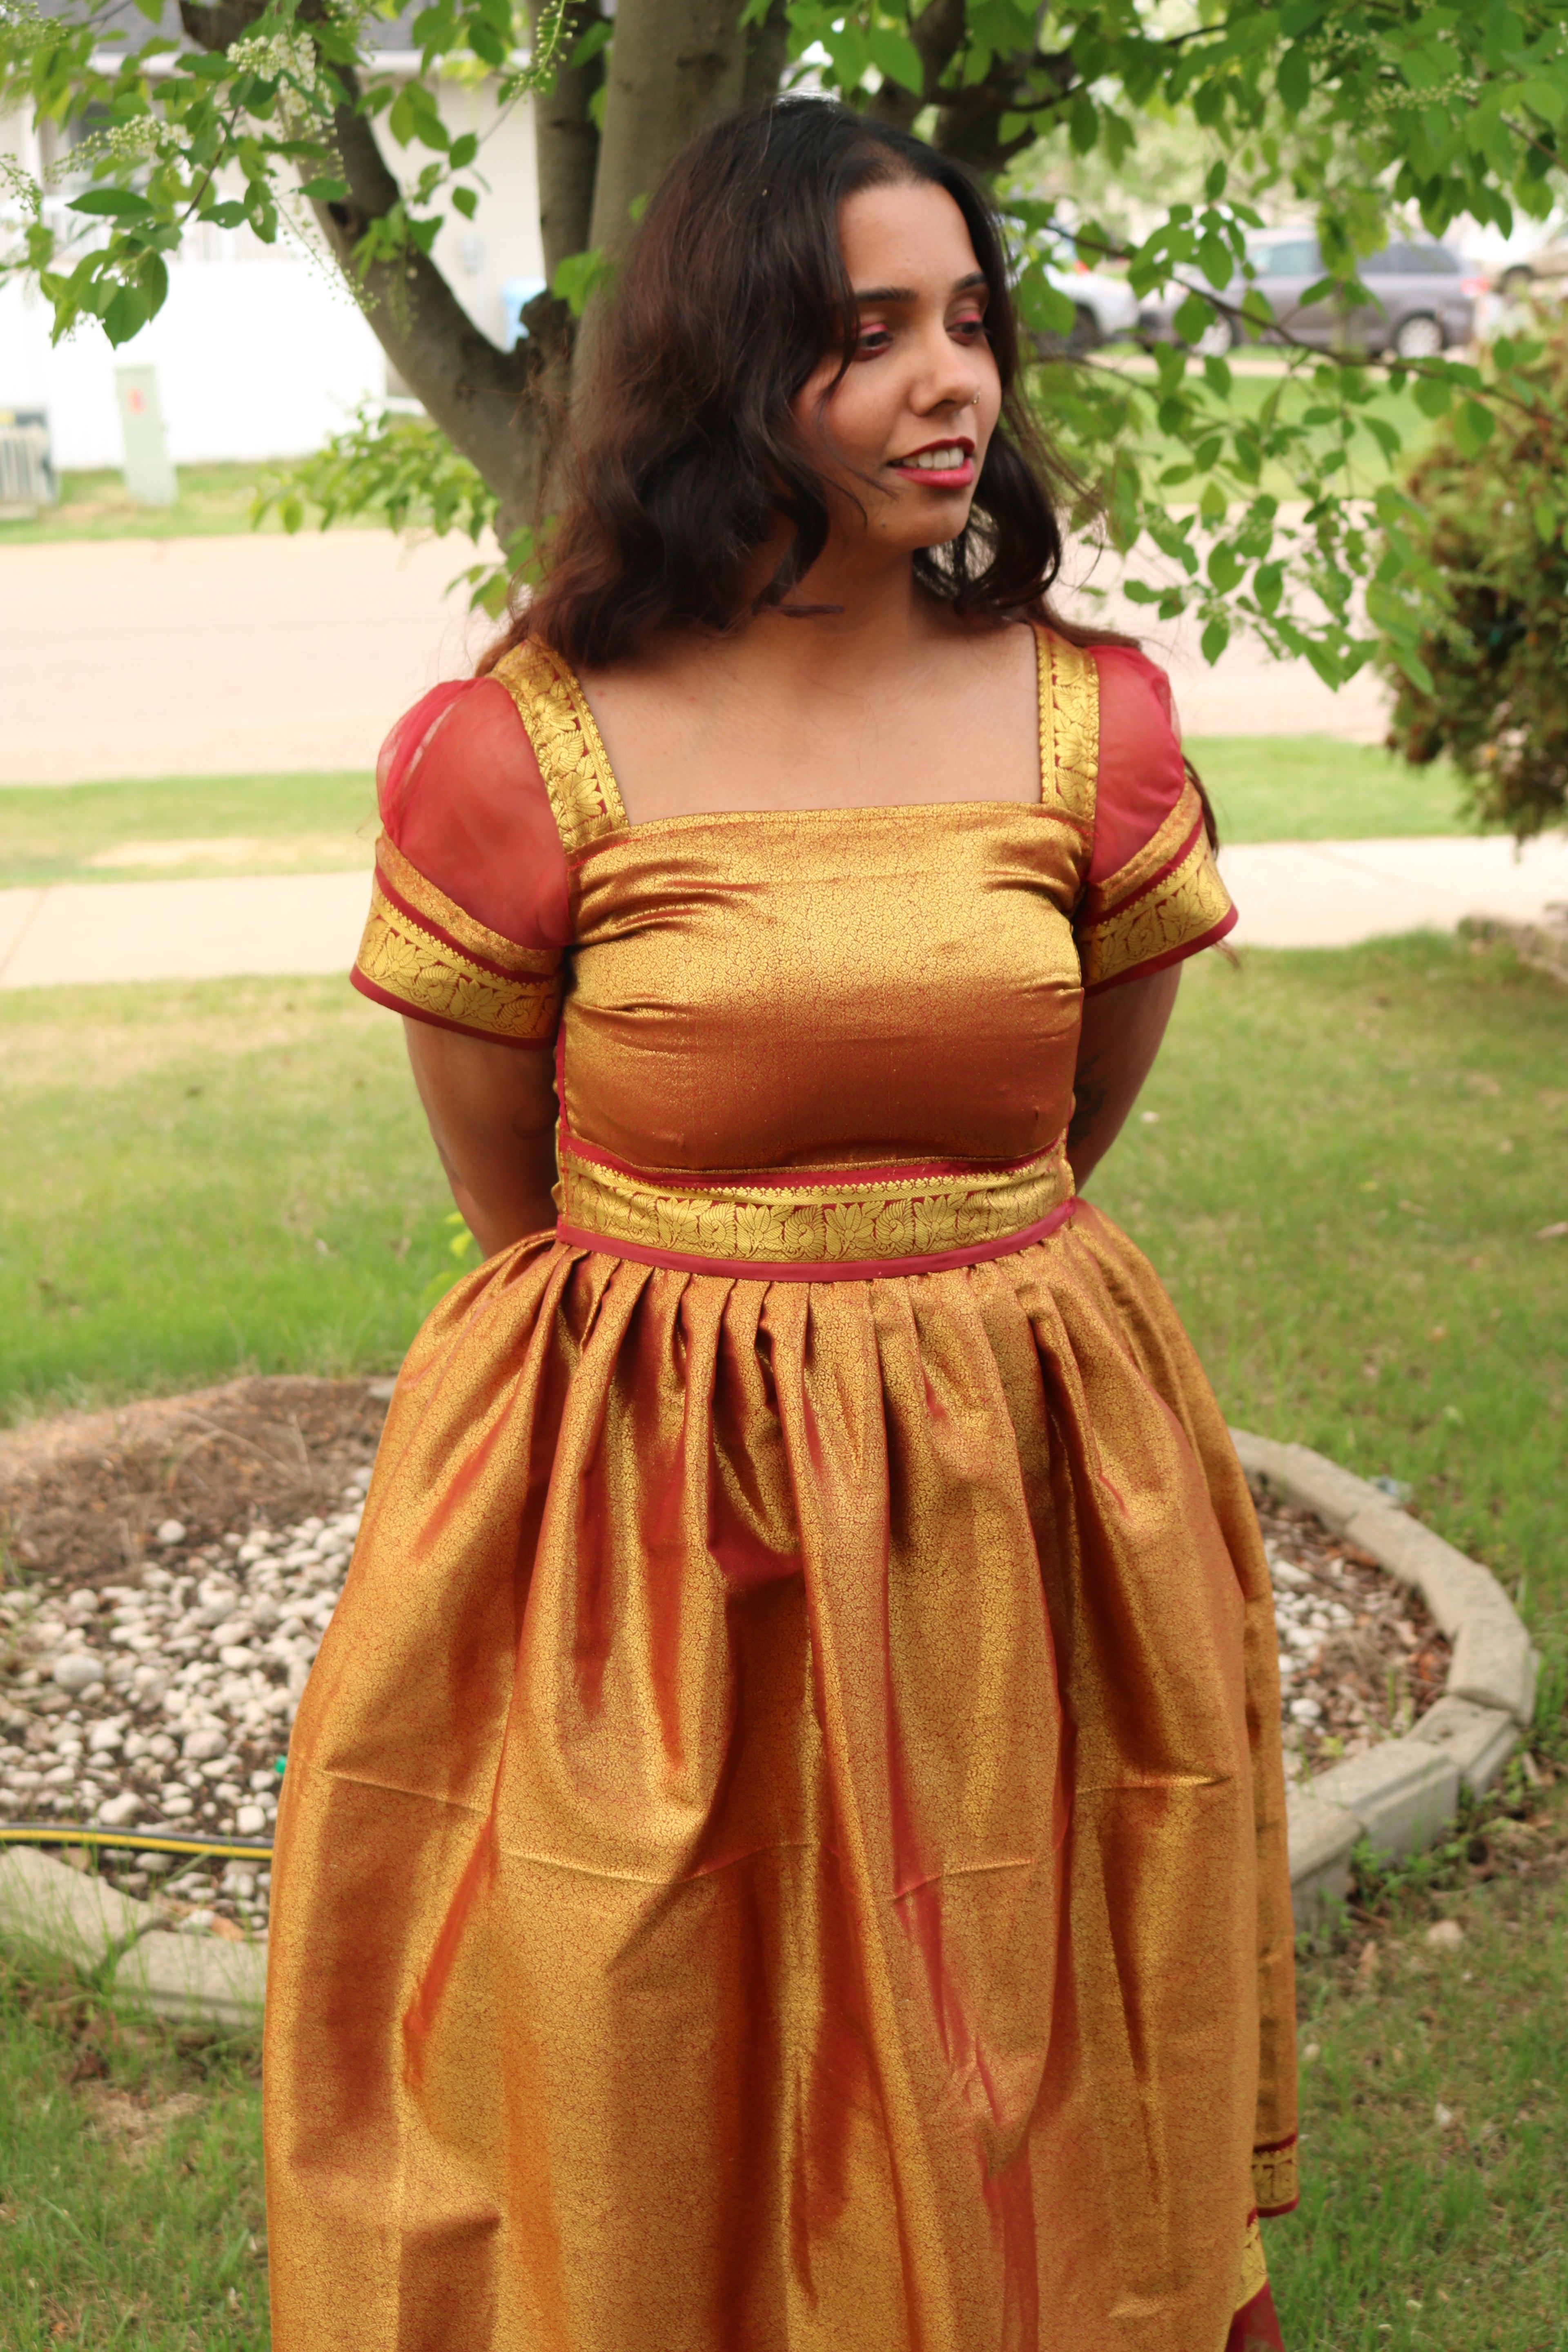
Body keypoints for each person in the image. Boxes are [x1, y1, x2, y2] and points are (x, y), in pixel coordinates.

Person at [263, 96, 1296, 2352]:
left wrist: (918, 1328)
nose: (954, 382)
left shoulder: (1093, 727)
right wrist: (759, 1340)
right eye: (869, 336)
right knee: (658, 1986)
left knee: (1017, 2008)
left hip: (1026, 1485)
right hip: (648, 1508)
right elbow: (510, 1201)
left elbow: (1064, 1120)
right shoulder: (520, 748)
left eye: (970, 322)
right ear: (736, 369)